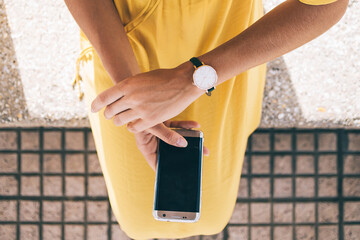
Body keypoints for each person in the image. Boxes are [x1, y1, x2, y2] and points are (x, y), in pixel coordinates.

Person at [64, 0, 348, 239]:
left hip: (224, 48)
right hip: (122, 52)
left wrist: (191, 79)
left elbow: (328, 5)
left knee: (211, 216)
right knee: (139, 221)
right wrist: (130, 91)